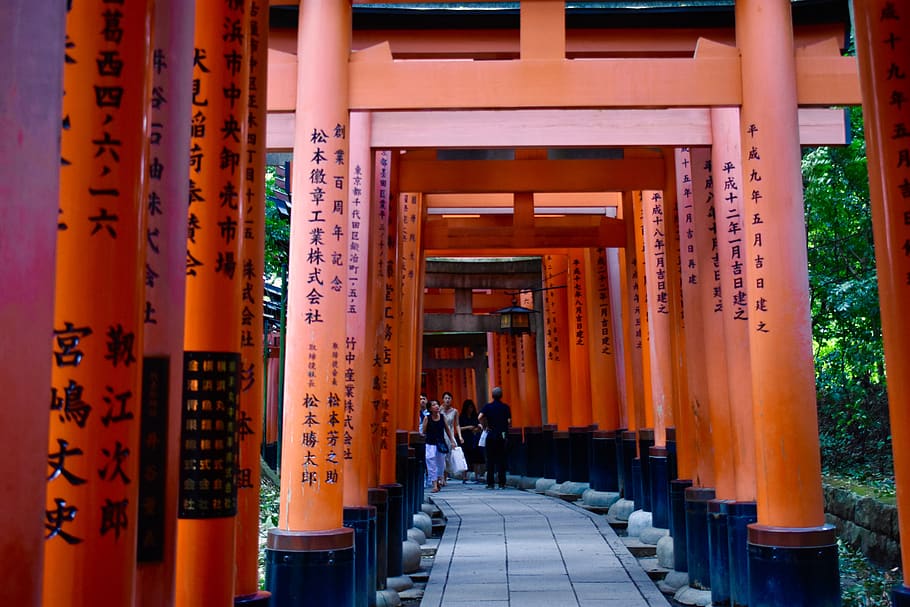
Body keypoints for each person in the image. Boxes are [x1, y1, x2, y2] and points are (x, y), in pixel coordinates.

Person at [478, 386, 512, 489]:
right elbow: (509, 421)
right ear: (501, 396)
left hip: (491, 434)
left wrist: (485, 427)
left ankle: (490, 483)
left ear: (492, 396)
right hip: (502, 434)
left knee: (490, 459)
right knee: (501, 459)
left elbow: (479, 417)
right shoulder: (505, 407)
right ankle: (502, 483)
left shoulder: (488, 407)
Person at [421, 399, 455, 493]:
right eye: (433, 405)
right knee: (431, 463)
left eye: (437, 404)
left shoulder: (442, 417)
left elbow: (447, 429)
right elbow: (423, 432)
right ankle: (435, 484)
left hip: (440, 444)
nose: (436, 406)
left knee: (440, 464)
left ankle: (440, 479)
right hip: (430, 444)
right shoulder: (427, 418)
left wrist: (452, 440)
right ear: (430, 409)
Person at [440, 391, 463, 485]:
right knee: (441, 456)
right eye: (445, 398)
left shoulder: (455, 411)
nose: (447, 400)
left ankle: (445, 477)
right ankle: (441, 477)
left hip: (450, 435)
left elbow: (457, 424)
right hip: (441, 434)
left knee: (448, 457)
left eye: (449, 398)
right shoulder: (439, 409)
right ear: (443, 399)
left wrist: (460, 436)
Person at [458, 399, 482, 483]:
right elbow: (458, 428)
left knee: (476, 457)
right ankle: (464, 477)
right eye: (469, 407)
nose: (470, 409)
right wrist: (468, 427)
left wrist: (477, 428)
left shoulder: (475, 416)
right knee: (465, 457)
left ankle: (477, 476)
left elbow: (479, 426)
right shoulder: (462, 417)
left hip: (474, 438)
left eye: (471, 407)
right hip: (465, 438)